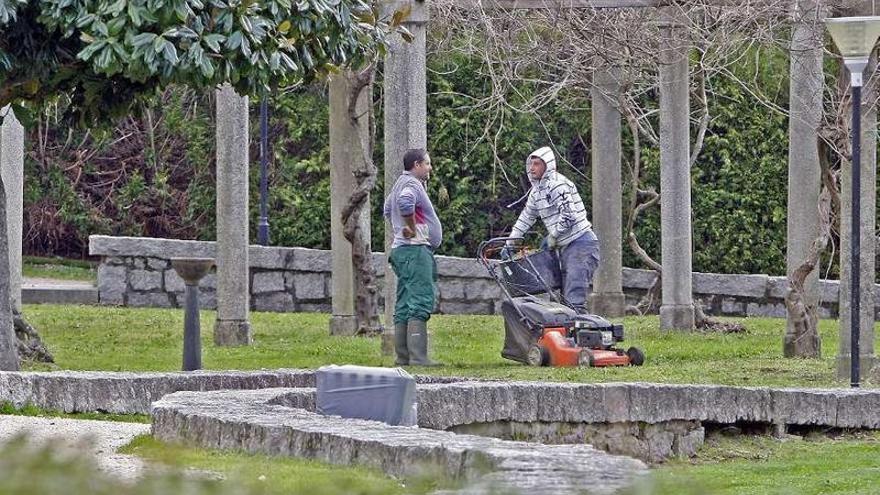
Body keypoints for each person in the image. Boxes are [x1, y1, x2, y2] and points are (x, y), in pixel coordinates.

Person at [505, 146, 600, 313]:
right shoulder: (537, 192)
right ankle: (563, 335)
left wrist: (553, 236)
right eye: (531, 164)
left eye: (536, 164)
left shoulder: (558, 185)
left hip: (581, 244)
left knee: (573, 298)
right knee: (561, 301)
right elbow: (526, 217)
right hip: (564, 247)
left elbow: (569, 215)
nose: (531, 168)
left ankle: (582, 335)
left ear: (547, 165)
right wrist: (510, 243)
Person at [383, 148, 443, 366]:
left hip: (402, 251)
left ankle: (403, 357)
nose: (430, 168)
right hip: (415, 250)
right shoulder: (411, 185)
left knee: (405, 301)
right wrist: (410, 228)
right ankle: (419, 358)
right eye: (427, 164)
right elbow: (405, 203)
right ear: (416, 165)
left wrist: (399, 230)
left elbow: (387, 208)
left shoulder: (399, 183)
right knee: (420, 299)